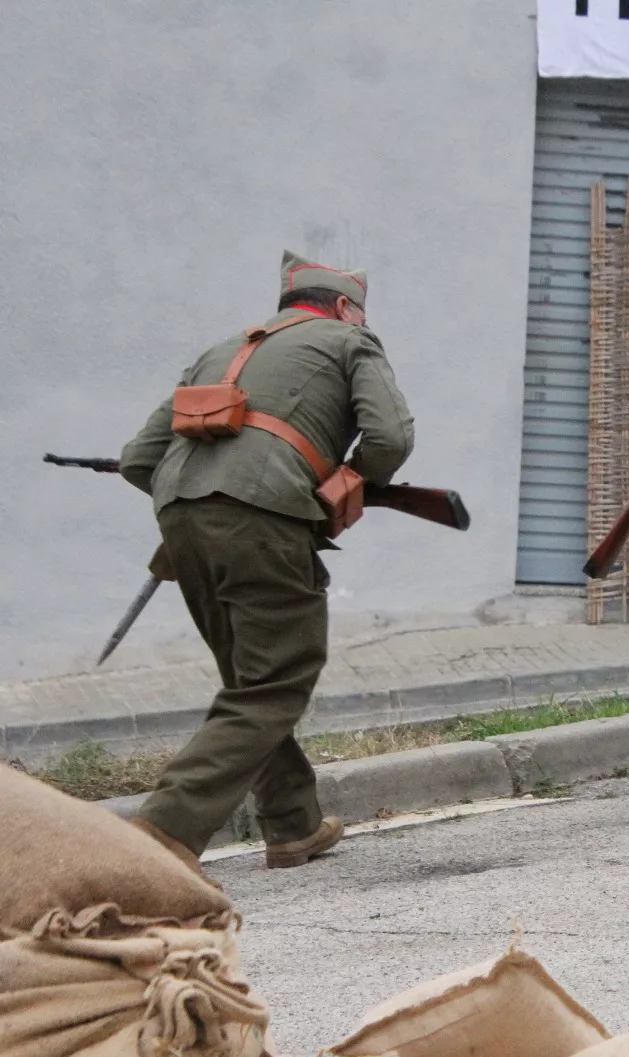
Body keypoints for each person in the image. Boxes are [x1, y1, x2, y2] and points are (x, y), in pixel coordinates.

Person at [120, 251, 414, 867]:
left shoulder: (221, 350)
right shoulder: (350, 341)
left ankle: (292, 824)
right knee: (275, 682)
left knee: (250, 682)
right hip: (261, 519)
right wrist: (348, 481)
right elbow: (389, 437)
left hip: (178, 518)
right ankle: (161, 833)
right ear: (342, 307)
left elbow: (137, 461)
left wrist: (200, 507)